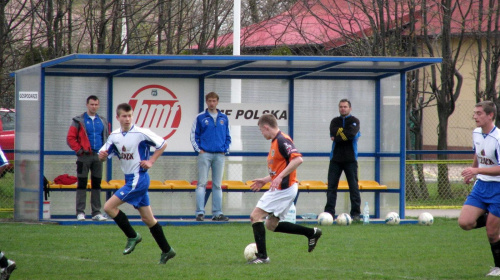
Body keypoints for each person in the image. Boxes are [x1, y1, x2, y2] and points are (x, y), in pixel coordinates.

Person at [98, 103, 175, 264]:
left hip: (138, 179)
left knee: (108, 207)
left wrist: (151, 161)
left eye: (130, 115)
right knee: (148, 219)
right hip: (129, 179)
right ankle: (167, 250)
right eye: (124, 116)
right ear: (118, 117)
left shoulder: (141, 133)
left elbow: (163, 143)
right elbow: (104, 154)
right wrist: (102, 156)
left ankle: (132, 236)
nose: (127, 119)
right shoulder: (115, 135)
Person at [247, 114, 322, 264]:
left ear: (266, 127)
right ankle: (311, 233)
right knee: (271, 225)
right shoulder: (276, 141)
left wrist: (280, 177)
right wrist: (266, 179)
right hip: (285, 188)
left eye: (262, 130)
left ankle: (262, 257)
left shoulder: (282, 140)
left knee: (255, 216)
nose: (262, 134)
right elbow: (280, 169)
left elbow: (298, 159)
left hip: (284, 189)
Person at [459, 101, 500, 276]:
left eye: (479, 113)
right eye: (474, 113)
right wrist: (472, 172)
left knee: (492, 233)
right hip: (481, 185)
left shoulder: (498, 138)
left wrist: (477, 170)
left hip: (498, 187)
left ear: (490, 115)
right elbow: (478, 152)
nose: (475, 116)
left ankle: (498, 267)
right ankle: (492, 218)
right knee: (465, 223)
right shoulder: (476, 133)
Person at [67, 95, 109, 221]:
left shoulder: (102, 121)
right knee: (82, 184)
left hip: (98, 157)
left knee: (96, 185)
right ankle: (80, 212)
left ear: (99, 105)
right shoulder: (79, 120)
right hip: (83, 157)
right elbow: (70, 138)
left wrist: (105, 151)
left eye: (96, 104)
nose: (94, 107)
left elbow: (108, 137)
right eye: (92, 104)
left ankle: (96, 212)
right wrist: (79, 151)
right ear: (87, 105)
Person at [190, 92, 231, 221]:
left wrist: (225, 149)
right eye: (210, 101)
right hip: (205, 154)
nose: (212, 103)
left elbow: (228, 135)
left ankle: (217, 213)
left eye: (214, 101)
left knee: (217, 184)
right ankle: (200, 213)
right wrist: (199, 150)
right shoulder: (200, 117)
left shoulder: (224, 117)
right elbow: (193, 136)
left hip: (219, 155)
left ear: (217, 102)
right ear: (206, 102)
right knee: (201, 183)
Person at [324, 99, 361, 221]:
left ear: (350, 108)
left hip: (350, 159)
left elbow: (351, 135)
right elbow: (334, 132)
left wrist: (339, 135)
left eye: (345, 107)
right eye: (341, 107)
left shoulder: (355, 121)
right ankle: (329, 213)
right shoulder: (335, 121)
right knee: (332, 187)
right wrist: (343, 134)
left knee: (353, 187)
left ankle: (355, 214)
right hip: (335, 159)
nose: (343, 109)